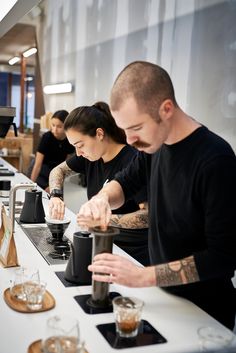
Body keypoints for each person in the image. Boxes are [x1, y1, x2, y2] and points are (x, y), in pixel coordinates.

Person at [77, 61, 236, 330]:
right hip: (163, 297)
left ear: (166, 109)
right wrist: (102, 198)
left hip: (204, 312)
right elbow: (124, 183)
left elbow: (224, 256)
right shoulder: (153, 148)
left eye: (136, 128)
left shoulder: (215, 160)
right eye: (124, 129)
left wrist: (143, 276)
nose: (129, 140)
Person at [48, 101, 150, 266]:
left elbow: (148, 216)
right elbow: (57, 171)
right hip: (103, 244)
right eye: (74, 147)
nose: (78, 153)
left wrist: (105, 220)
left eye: (80, 145)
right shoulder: (91, 157)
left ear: (99, 134)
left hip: (131, 254)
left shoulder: (132, 161)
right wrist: (55, 196)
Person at [30, 110, 74, 192]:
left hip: (57, 173)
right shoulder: (46, 137)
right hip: (41, 173)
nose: (54, 130)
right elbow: (37, 164)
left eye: (59, 127)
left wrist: (54, 185)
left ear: (67, 126)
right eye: (53, 125)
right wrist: (31, 184)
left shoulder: (70, 140)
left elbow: (66, 167)